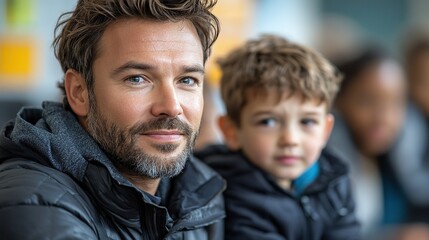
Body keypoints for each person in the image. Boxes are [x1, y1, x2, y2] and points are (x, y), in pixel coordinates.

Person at [0, 0, 226, 239]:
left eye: (187, 80)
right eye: (137, 79)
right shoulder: (37, 204)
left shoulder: (200, 194)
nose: (171, 107)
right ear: (79, 92)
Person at [196, 35, 361, 240]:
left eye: (307, 122)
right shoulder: (227, 193)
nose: (290, 139)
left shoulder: (334, 179)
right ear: (231, 131)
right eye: (268, 122)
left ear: (325, 131)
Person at [326, 47, 415, 239]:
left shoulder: (393, 165)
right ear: (338, 101)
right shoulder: (324, 172)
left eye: (395, 103)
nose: (383, 117)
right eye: (367, 101)